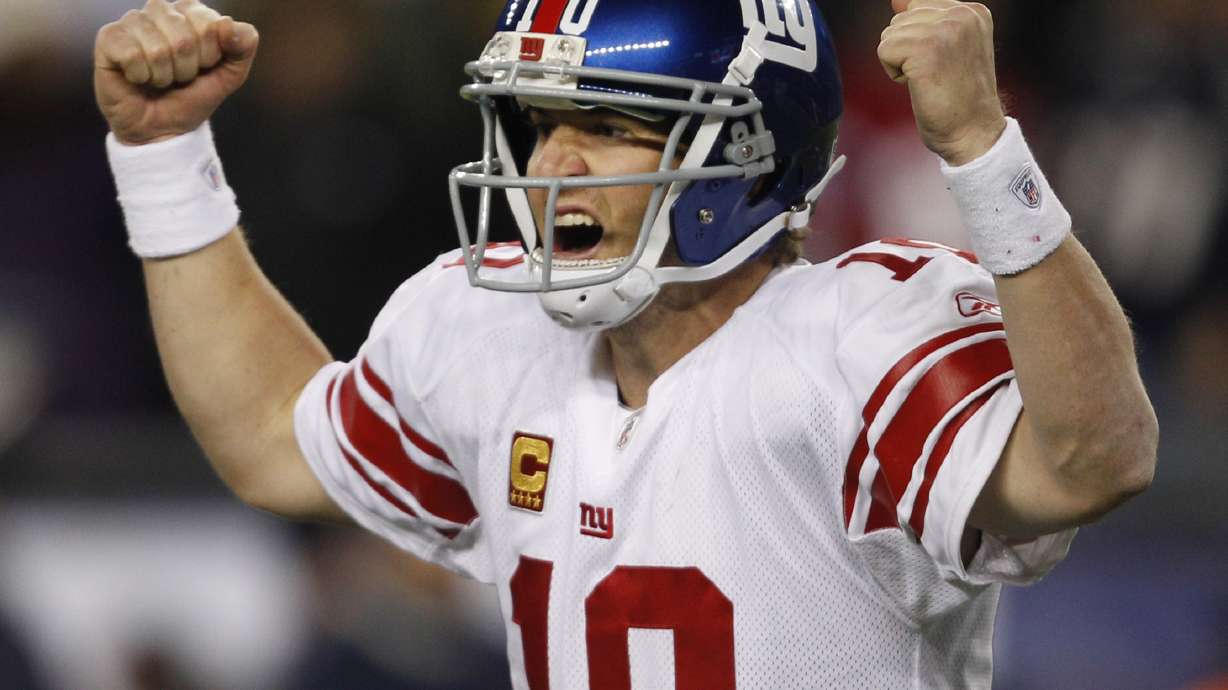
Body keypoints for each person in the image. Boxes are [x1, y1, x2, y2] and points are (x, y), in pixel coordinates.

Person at [93, 0, 1158, 687]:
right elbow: (270, 440)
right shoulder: (484, 323)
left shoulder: (860, 337)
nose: (551, 163)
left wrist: (981, 153)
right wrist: (162, 156)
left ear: (745, 151)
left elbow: (1092, 459)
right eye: (538, 120)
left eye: (607, 123)